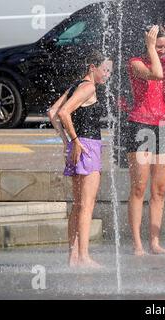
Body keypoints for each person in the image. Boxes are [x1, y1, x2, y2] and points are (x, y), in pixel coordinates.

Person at [47, 50, 113, 268]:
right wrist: (74, 140)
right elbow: (64, 112)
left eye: (110, 71)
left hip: (78, 147)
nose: (107, 75)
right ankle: (84, 257)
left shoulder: (76, 85)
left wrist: (66, 142)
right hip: (88, 147)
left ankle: (73, 256)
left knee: (77, 205)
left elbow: (52, 111)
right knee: (87, 205)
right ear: (92, 68)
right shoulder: (89, 87)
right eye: (105, 70)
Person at [126, 25, 165, 256]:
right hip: (140, 125)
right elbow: (157, 74)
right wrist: (152, 48)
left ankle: (155, 242)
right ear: (148, 42)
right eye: (158, 46)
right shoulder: (135, 62)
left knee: (159, 189)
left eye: (164, 46)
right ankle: (138, 244)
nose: (162, 51)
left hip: (163, 126)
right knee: (139, 187)